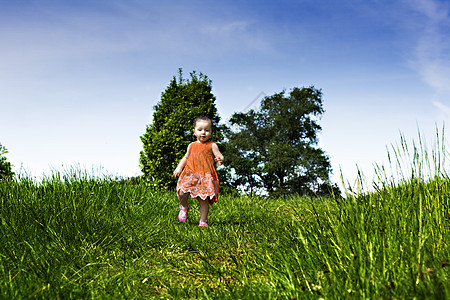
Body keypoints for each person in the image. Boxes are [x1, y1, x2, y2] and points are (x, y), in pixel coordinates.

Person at [173, 116, 224, 227]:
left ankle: (203, 221)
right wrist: (178, 168)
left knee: (203, 199)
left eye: (207, 130)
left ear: (211, 132)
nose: (203, 133)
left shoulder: (212, 145)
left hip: (205, 176)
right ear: (194, 131)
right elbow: (186, 158)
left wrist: (220, 158)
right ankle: (184, 207)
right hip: (190, 174)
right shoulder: (191, 145)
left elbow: (219, 155)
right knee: (181, 192)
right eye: (200, 130)